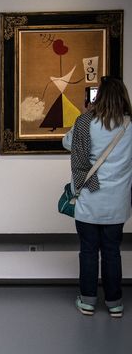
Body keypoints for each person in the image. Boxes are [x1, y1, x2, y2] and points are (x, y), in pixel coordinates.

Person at [62, 76, 132, 318]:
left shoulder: (85, 123)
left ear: (97, 98)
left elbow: (66, 143)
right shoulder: (129, 125)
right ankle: (115, 303)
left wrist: (85, 115)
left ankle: (88, 301)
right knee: (112, 251)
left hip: (88, 199)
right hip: (117, 203)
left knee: (89, 250)